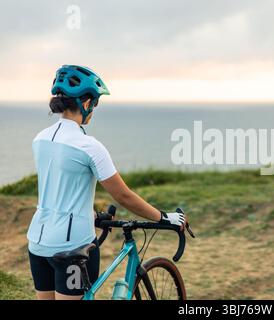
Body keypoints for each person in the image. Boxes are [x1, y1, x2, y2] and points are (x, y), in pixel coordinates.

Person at [26, 65, 186, 300]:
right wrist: (163, 217)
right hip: (73, 247)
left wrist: (91, 214)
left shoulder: (40, 139)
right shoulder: (90, 147)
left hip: (38, 243)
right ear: (87, 103)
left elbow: (61, 188)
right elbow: (123, 196)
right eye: (96, 104)